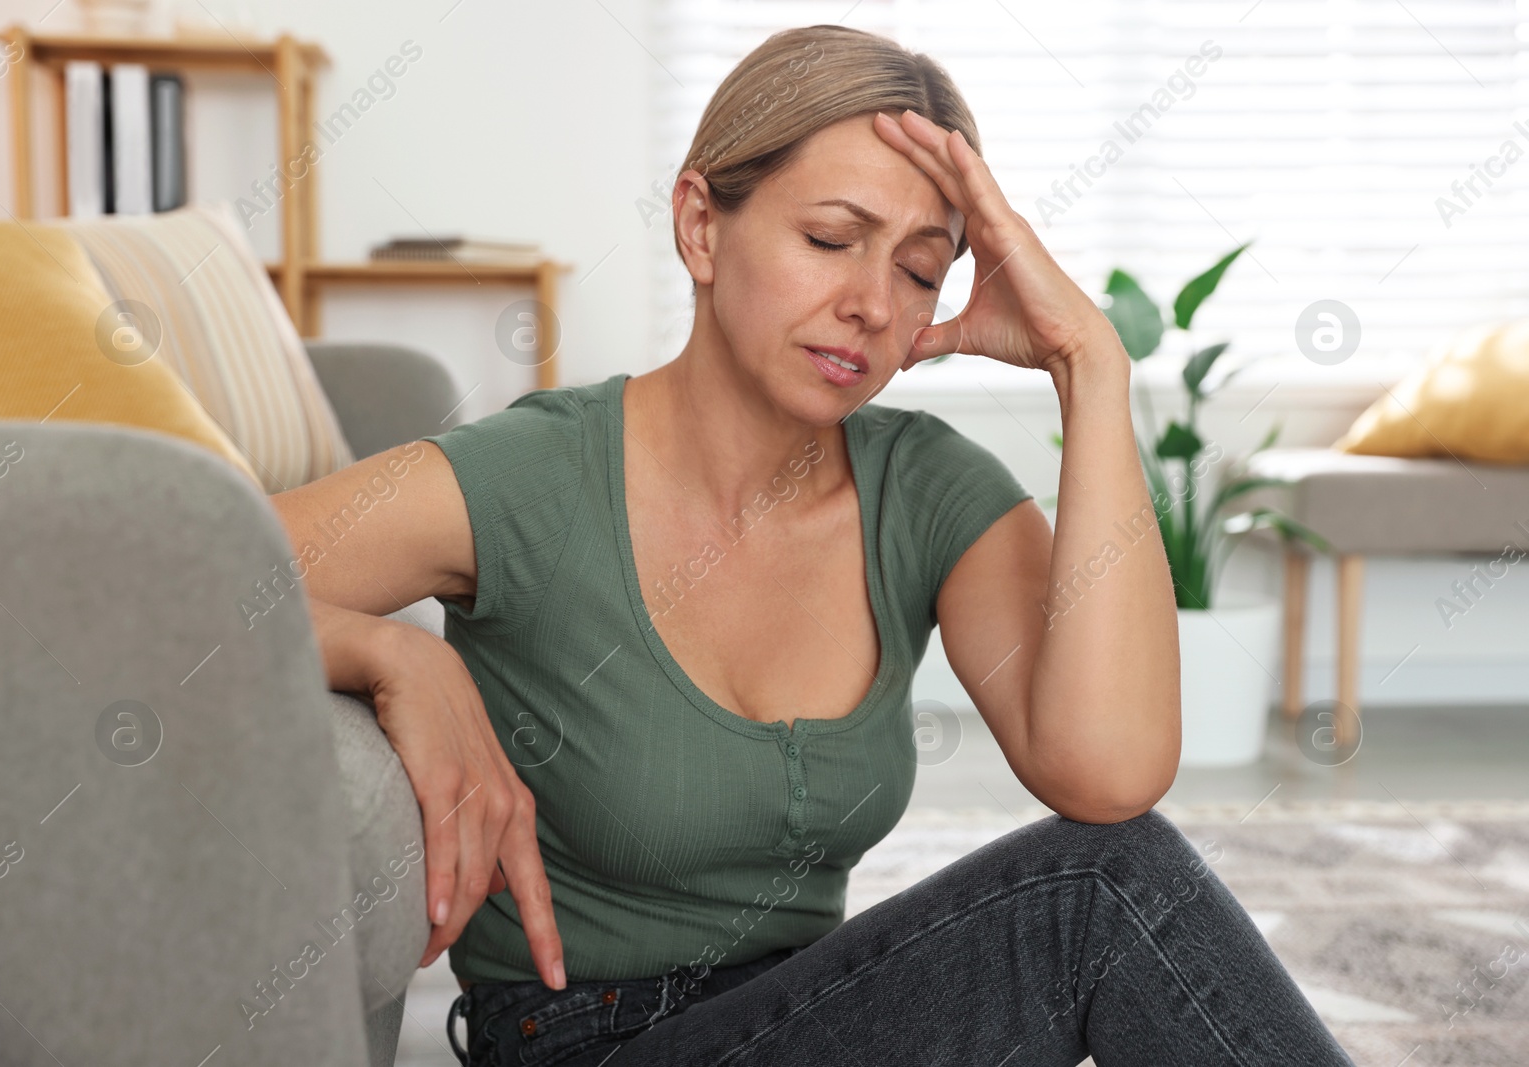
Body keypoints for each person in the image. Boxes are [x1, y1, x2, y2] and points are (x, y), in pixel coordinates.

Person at [270, 23, 1356, 1067]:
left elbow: (1109, 773)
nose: (871, 304)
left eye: (921, 271)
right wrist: (394, 654)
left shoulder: (923, 489)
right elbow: (166, 594)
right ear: (700, 224)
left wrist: (1093, 366)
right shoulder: (530, 479)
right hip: (583, 1041)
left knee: (1118, 877)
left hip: (806, 1014)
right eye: (831, 240)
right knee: (1097, 900)